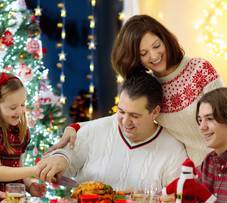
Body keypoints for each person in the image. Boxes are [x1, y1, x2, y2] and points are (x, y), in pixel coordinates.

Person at [49, 15, 227, 166]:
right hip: (200, 173)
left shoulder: (199, 69)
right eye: (143, 53)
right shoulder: (151, 88)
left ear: (165, 40)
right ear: (136, 58)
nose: (154, 55)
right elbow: (122, 116)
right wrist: (77, 127)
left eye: (156, 45)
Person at [38, 72, 187, 191]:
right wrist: (61, 158)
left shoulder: (173, 150)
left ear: (155, 112)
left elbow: (177, 201)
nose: (125, 121)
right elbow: (66, 158)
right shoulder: (95, 130)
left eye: (135, 116)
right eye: (121, 111)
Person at [0, 72, 46, 196]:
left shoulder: (21, 130)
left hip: (14, 198)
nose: (20, 111)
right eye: (13, 108)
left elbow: (18, 167)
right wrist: (34, 170)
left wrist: (29, 186)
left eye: (22, 105)